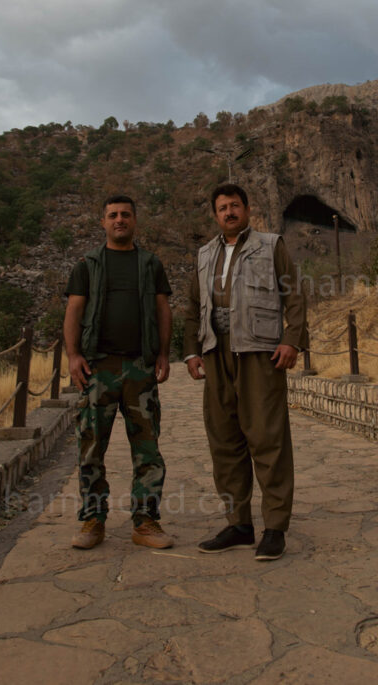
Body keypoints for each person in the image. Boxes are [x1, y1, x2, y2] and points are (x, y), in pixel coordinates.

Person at [184, 183, 306, 561]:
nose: (229, 212)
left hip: (259, 352)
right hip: (216, 352)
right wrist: (190, 351)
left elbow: (295, 295)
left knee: (267, 437)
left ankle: (274, 527)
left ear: (247, 209)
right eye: (222, 208)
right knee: (224, 440)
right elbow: (192, 306)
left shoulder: (271, 246)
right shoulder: (205, 254)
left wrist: (292, 340)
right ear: (215, 214)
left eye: (234, 206)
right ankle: (238, 524)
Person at [64, 194, 174, 550]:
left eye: (126, 214)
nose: (119, 220)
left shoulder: (149, 264)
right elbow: (74, 312)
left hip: (140, 368)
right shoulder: (88, 264)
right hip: (98, 368)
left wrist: (163, 354)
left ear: (135, 220)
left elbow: (162, 310)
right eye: (112, 215)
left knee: (148, 449)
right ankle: (93, 521)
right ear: (103, 222)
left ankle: (146, 522)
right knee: (91, 448)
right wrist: (73, 355)